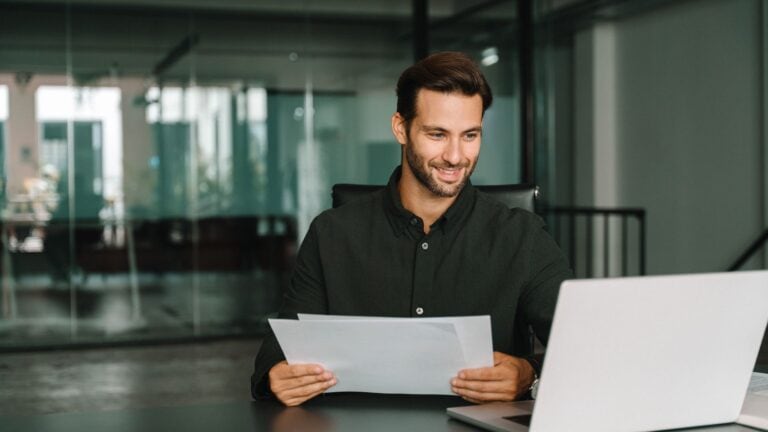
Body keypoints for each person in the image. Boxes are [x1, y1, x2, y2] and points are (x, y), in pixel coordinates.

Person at [251, 51, 572, 407]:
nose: (455, 156)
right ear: (400, 128)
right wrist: (276, 375)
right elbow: (275, 357)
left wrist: (530, 374)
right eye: (437, 134)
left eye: (470, 135)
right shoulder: (332, 234)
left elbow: (584, 349)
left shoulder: (521, 237)